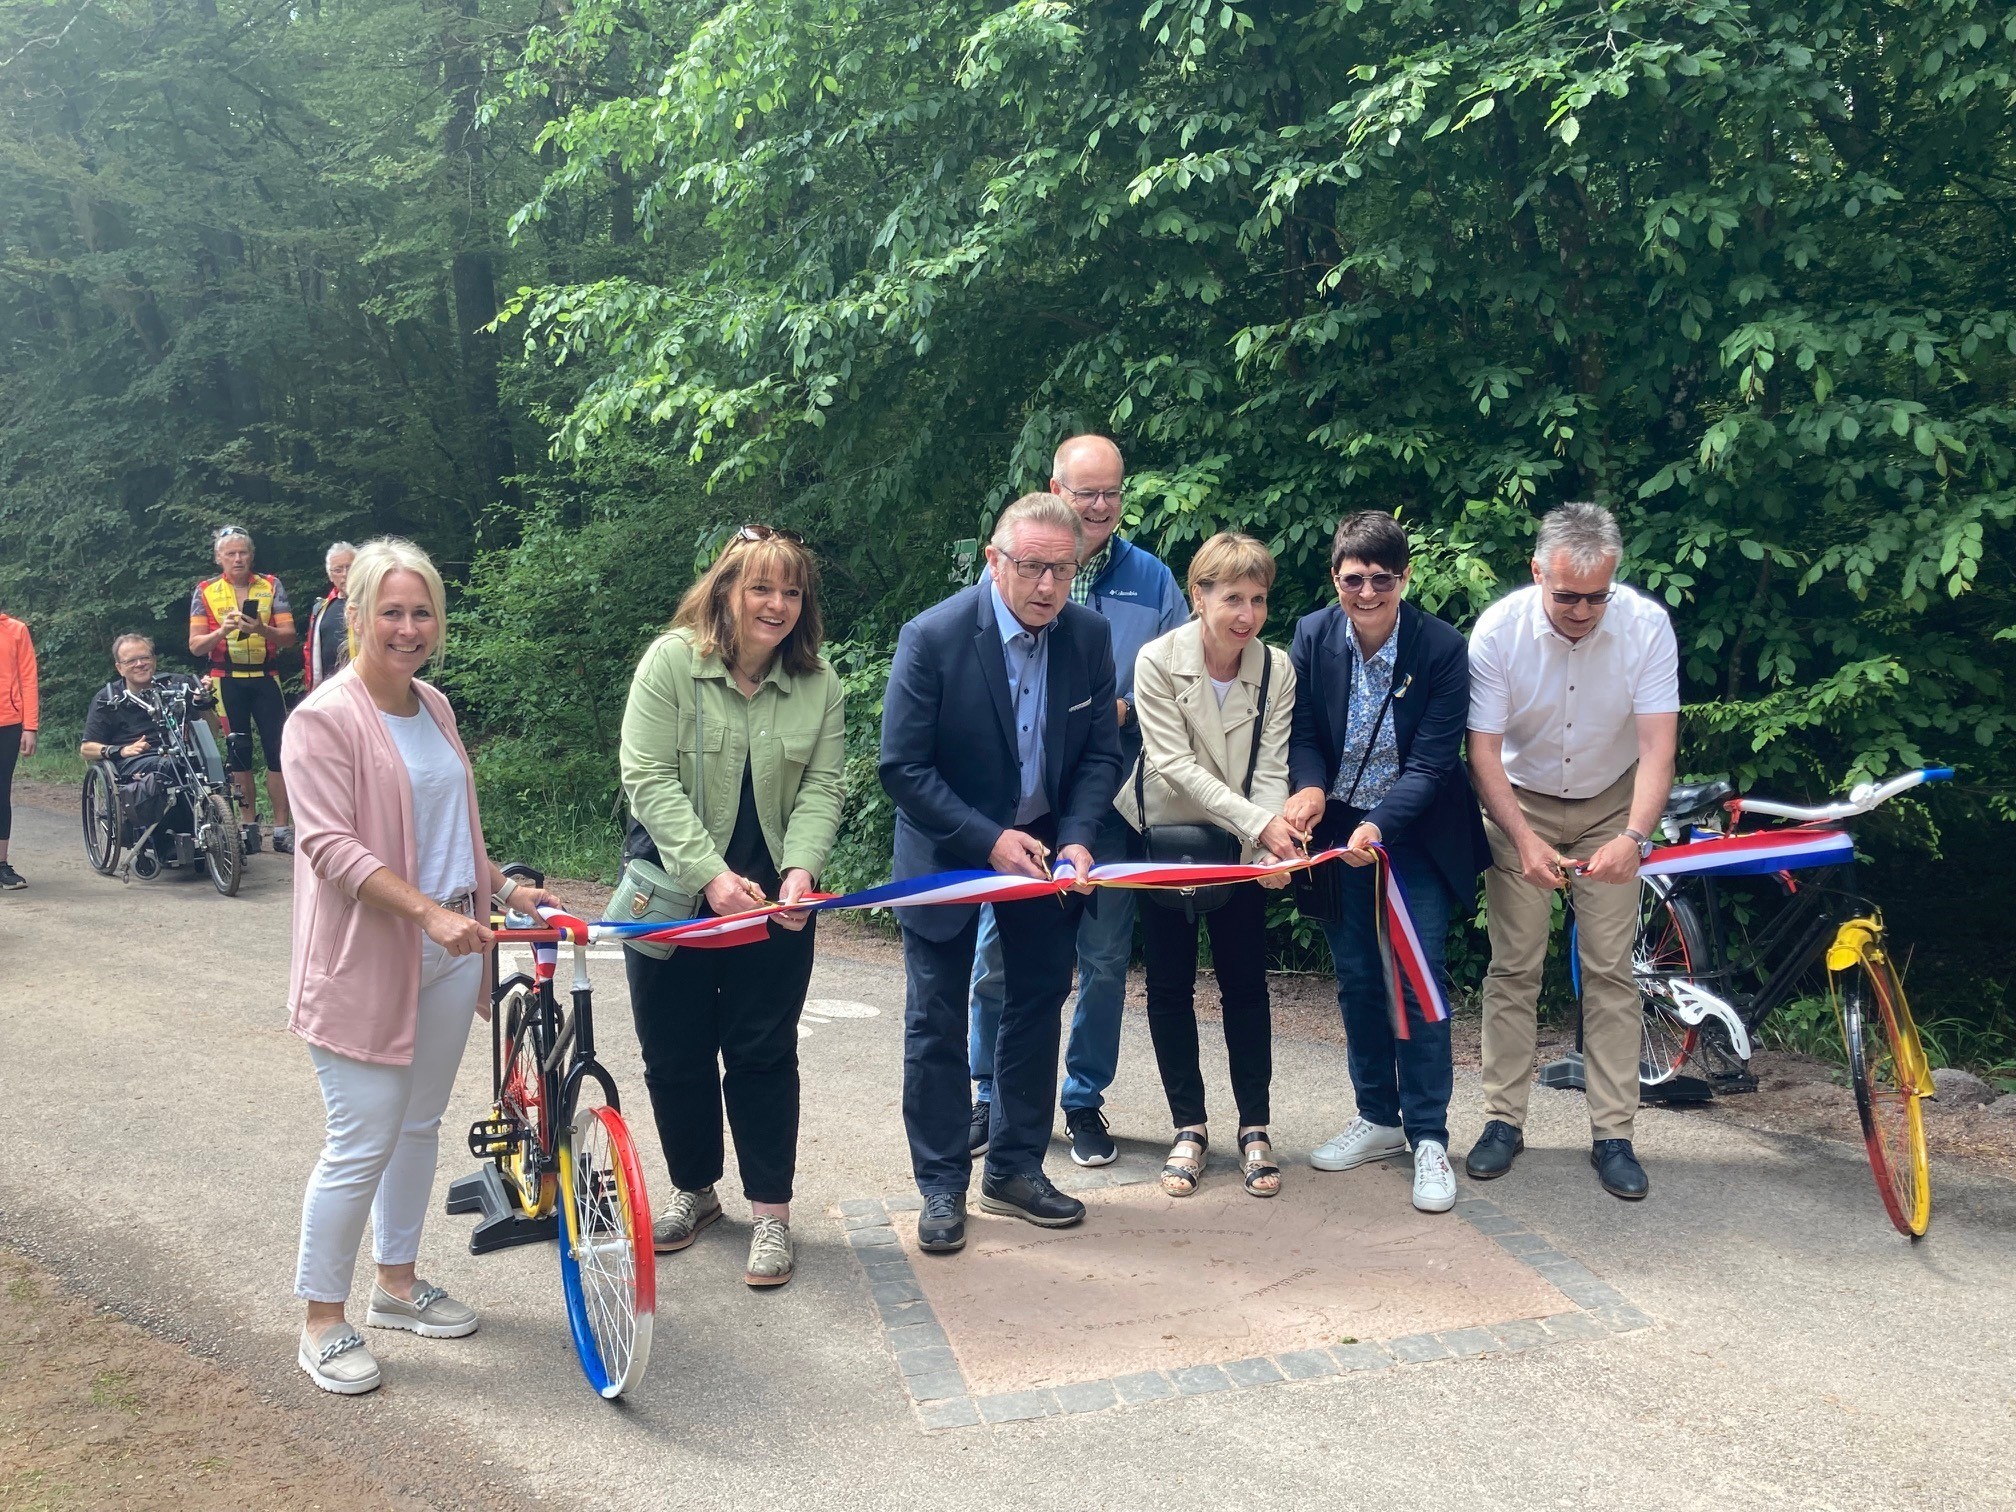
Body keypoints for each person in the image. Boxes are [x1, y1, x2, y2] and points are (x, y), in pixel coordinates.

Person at [286, 538, 562, 1395]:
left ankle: (396, 1286)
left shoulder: (434, 706)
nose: (408, 629)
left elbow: (449, 835)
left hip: (450, 954)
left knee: (416, 1127)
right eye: (391, 612)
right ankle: (321, 1322)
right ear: (356, 615)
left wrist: (499, 890)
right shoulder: (321, 719)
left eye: (422, 612)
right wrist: (434, 915)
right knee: (360, 1139)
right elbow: (331, 846)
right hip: (369, 961)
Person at [880, 492, 1123, 1254]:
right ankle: (943, 1185)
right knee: (937, 1021)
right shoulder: (933, 636)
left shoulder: (1087, 636)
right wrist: (988, 840)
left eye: (1063, 569)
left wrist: (1080, 839)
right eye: (1031, 568)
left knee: (1035, 1006)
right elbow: (903, 768)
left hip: (1049, 851)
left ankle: (1016, 1170)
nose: (1048, 585)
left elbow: (1099, 758)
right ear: (994, 561)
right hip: (949, 850)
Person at [618, 526, 845, 1289]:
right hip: (674, 900)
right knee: (674, 1057)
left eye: (790, 591)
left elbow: (823, 786)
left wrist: (800, 870)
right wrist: (712, 876)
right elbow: (647, 778)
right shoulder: (671, 663)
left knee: (763, 1057)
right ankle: (695, 1192)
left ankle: (771, 1215)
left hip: (774, 913)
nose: (777, 604)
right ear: (726, 592)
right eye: (761, 588)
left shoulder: (819, 683)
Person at [967, 435, 1186, 1167]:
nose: (1098, 506)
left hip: (1112, 799)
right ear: (1052, 488)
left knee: (1102, 955)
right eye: (1084, 491)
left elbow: (1185, 687)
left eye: (1111, 493)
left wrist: (1119, 713)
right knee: (998, 952)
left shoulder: (1151, 581)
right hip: (1024, 804)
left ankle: (1083, 1099)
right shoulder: (1009, 566)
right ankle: (988, 1093)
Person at [1463, 502, 1680, 1200]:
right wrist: (1522, 839)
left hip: (1612, 801)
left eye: (1597, 595)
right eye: (1567, 596)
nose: (1584, 610)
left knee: (1612, 972)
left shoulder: (1646, 627)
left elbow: (1657, 748)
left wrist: (1633, 838)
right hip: (1518, 801)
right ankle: (1503, 1121)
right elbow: (1483, 751)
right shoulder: (1498, 631)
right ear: (1537, 572)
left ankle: (1614, 1133)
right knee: (1514, 965)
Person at [1282, 512, 1491, 1214]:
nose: (1366, 592)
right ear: (1334, 577)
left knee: (1419, 978)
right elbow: (1303, 733)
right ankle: (1376, 1117)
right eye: (1352, 579)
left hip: (1416, 836)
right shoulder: (1311, 635)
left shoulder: (1439, 647)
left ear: (1404, 578)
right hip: (1340, 833)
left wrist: (1378, 824)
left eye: (1380, 579)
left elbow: (1434, 762)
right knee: (1359, 979)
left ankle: (1428, 1134)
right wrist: (1311, 791)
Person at [1116, 532, 1299, 1200]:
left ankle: (1256, 1127)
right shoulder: (1156, 660)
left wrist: (1270, 845)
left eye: (1257, 599)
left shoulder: (1277, 668)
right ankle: (1187, 1127)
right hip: (1166, 835)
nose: (1245, 614)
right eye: (1231, 598)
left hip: (1242, 846)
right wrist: (1263, 825)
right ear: (1199, 596)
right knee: (1168, 985)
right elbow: (1172, 765)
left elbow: (1272, 765)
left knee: (1246, 984)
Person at [189, 525, 298, 853]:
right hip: (226, 678)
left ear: (252, 555)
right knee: (239, 755)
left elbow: (290, 636)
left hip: (266, 676)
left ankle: (281, 829)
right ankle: (248, 827)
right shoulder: (205, 590)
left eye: (243, 553)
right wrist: (221, 632)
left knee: (278, 752)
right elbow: (195, 646)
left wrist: (262, 628)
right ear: (218, 557)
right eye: (231, 554)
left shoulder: (271, 585)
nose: (238, 559)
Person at [80, 635, 213, 846]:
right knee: (166, 768)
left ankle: (219, 830)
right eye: (131, 661)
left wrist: (201, 703)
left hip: (182, 752)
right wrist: (120, 750)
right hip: (136, 760)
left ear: (154, 660)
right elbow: (86, 749)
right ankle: (167, 839)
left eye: (144, 657)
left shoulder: (178, 685)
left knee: (214, 764)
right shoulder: (108, 699)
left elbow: (211, 730)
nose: (140, 664)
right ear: (119, 668)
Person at [0, 604, 36, 890]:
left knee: (1, 791)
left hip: (8, 723)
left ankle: (1, 865)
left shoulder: (15, 629)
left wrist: (30, 726)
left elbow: (28, 679)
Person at [305, 542, 356, 691]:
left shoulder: (373, 603)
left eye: (349, 567)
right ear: (330, 576)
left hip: (367, 687)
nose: (345, 574)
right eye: (338, 570)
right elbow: (311, 653)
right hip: (330, 689)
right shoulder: (321, 609)